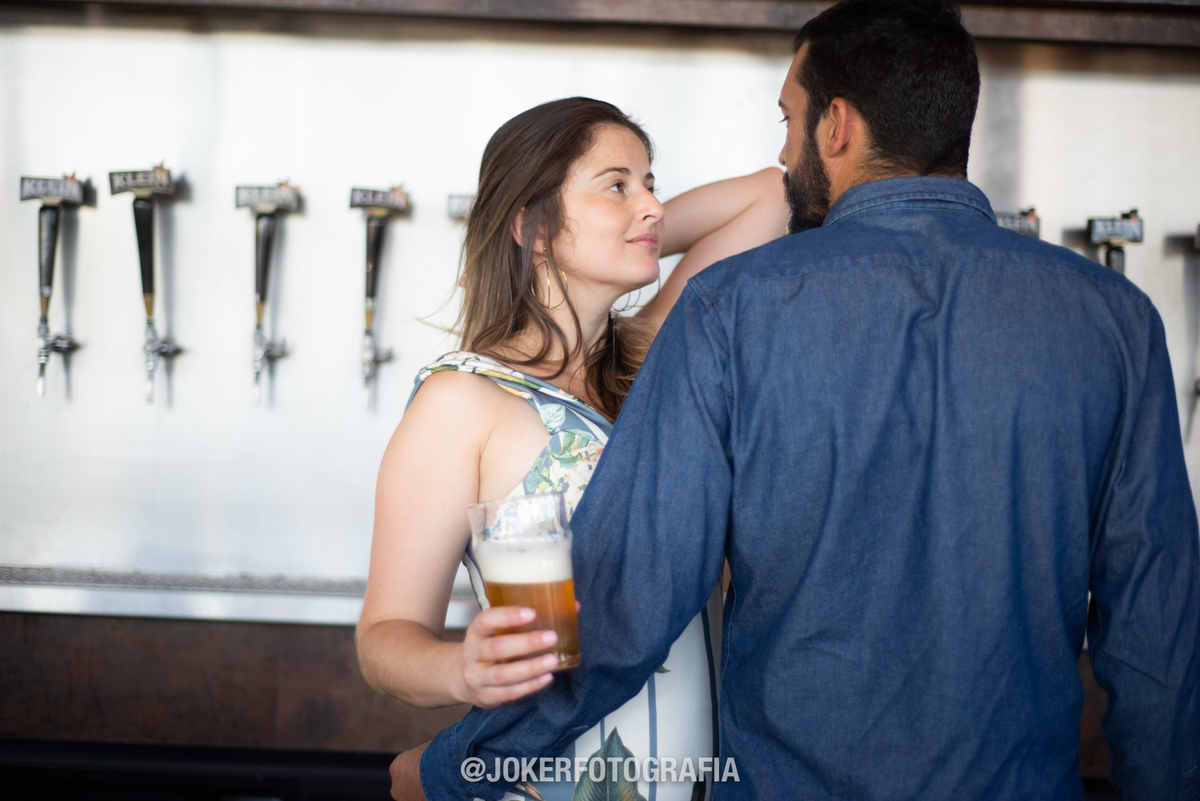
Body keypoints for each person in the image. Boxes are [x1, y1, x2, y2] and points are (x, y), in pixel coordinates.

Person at [393, 1, 1200, 799]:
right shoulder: (1115, 319)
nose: (784, 151)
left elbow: (625, 611)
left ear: (837, 126)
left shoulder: (732, 310)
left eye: (789, 118)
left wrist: (454, 764)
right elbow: (1158, 635)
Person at [357, 96, 788, 800]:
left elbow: (777, 195)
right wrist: (459, 670)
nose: (650, 204)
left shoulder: (653, 362)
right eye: (617, 185)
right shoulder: (462, 402)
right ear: (531, 224)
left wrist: (630, 226)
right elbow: (384, 636)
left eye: (651, 183)